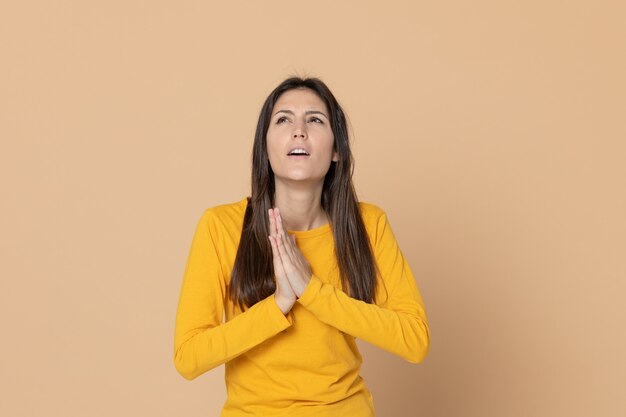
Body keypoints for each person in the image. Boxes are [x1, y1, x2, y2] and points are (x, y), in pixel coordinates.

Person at [173, 76, 430, 416]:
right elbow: (189, 357)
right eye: (283, 119)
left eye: (315, 120)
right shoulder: (222, 227)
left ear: (336, 149)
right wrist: (279, 303)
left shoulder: (368, 225)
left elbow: (414, 340)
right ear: (264, 147)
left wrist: (312, 291)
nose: (299, 130)